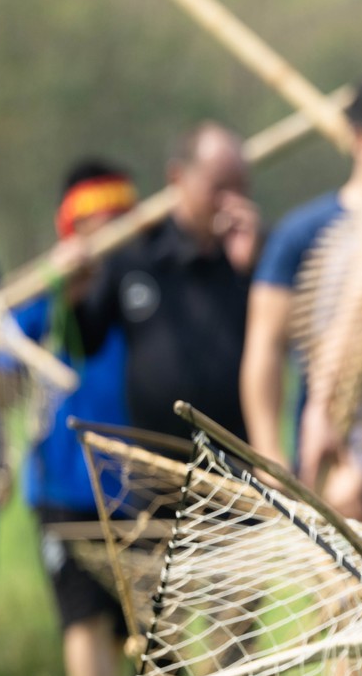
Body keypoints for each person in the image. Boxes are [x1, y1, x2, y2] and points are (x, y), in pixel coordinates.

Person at [241, 75, 362, 489]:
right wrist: (268, 452)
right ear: (361, 138)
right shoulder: (304, 233)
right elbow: (266, 344)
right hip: (333, 450)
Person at [13, 159, 137, 676]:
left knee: (130, 619)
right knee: (81, 613)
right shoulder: (46, 291)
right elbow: (4, 356)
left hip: (135, 483)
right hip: (65, 480)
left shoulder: (137, 287)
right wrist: (57, 286)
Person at [74, 122, 259, 440]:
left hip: (237, 454)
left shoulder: (258, 253)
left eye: (240, 188)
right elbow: (85, 342)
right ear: (177, 178)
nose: (231, 202)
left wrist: (254, 270)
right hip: (155, 458)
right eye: (218, 188)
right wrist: (74, 296)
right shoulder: (135, 253)